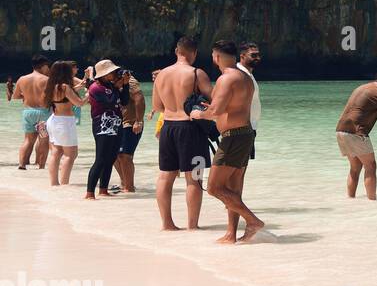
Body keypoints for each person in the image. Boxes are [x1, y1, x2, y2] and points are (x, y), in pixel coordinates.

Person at [190, 40, 265, 244]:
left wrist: (198, 114)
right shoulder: (245, 77)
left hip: (233, 138)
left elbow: (216, 111)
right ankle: (231, 234)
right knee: (232, 189)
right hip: (245, 134)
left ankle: (253, 221)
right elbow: (232, 107)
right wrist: (212, 109)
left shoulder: (226, 78)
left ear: (216, 57)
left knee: (214, 187)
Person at [152, 36, 214, 231]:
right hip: (190, 129)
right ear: (193, 53)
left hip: (168, 127)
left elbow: (157, 106)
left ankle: (167, 224)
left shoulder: (161, 75)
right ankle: (192, 226)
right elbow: (214, 101)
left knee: (165, 177)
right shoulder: (196, 73)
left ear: (177, 51)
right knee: (194, 178)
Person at [336, 70, 377, 199]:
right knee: (370, 165)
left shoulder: (364, 88)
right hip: (356, 133)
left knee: (355, 167)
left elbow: (376, 106)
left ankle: (350, 199)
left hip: (341, 131)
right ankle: (372, 201)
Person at [84, 61, 126, 200]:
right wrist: (117, 87)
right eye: (112, 72)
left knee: (111, 158)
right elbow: (109, 102)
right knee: (101, 159)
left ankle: (103, 189)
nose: (115, 74)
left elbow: (125, 101)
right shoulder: (95, 88)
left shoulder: (111, 85)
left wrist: (124, 85)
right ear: (104, 74)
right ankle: (90, 193)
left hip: (117, 123)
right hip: (102, 125)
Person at [43, 60, 85, 186]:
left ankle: (54, 183)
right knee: (71, 154)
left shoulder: (51, 86)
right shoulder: (65, 87)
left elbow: (64, 96)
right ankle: (65, 184)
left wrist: (79, 87)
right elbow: (79, 103)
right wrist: (89, 95)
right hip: (65, 122)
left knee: (56, 153)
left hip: (54, 120)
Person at [13, 55, 51, 169]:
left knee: (28, 140)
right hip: (43, 113)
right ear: (43, 66)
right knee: (43, 139)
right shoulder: (46, 80)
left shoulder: (22, 79)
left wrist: (27, 96)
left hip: (28, 112)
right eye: (47, 66)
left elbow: (15, 96)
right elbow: (53, 96)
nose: (48, 69)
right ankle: (41, 166)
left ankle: (22, 164)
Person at [112, 70, 145, 192]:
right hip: (117, 124)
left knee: (125, 156)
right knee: (114, 156)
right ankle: (124, 182)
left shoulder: (131, 81)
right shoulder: (112, 80)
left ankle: (129, 187)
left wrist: (139, 121)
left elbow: (139, 99)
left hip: (130, 123)